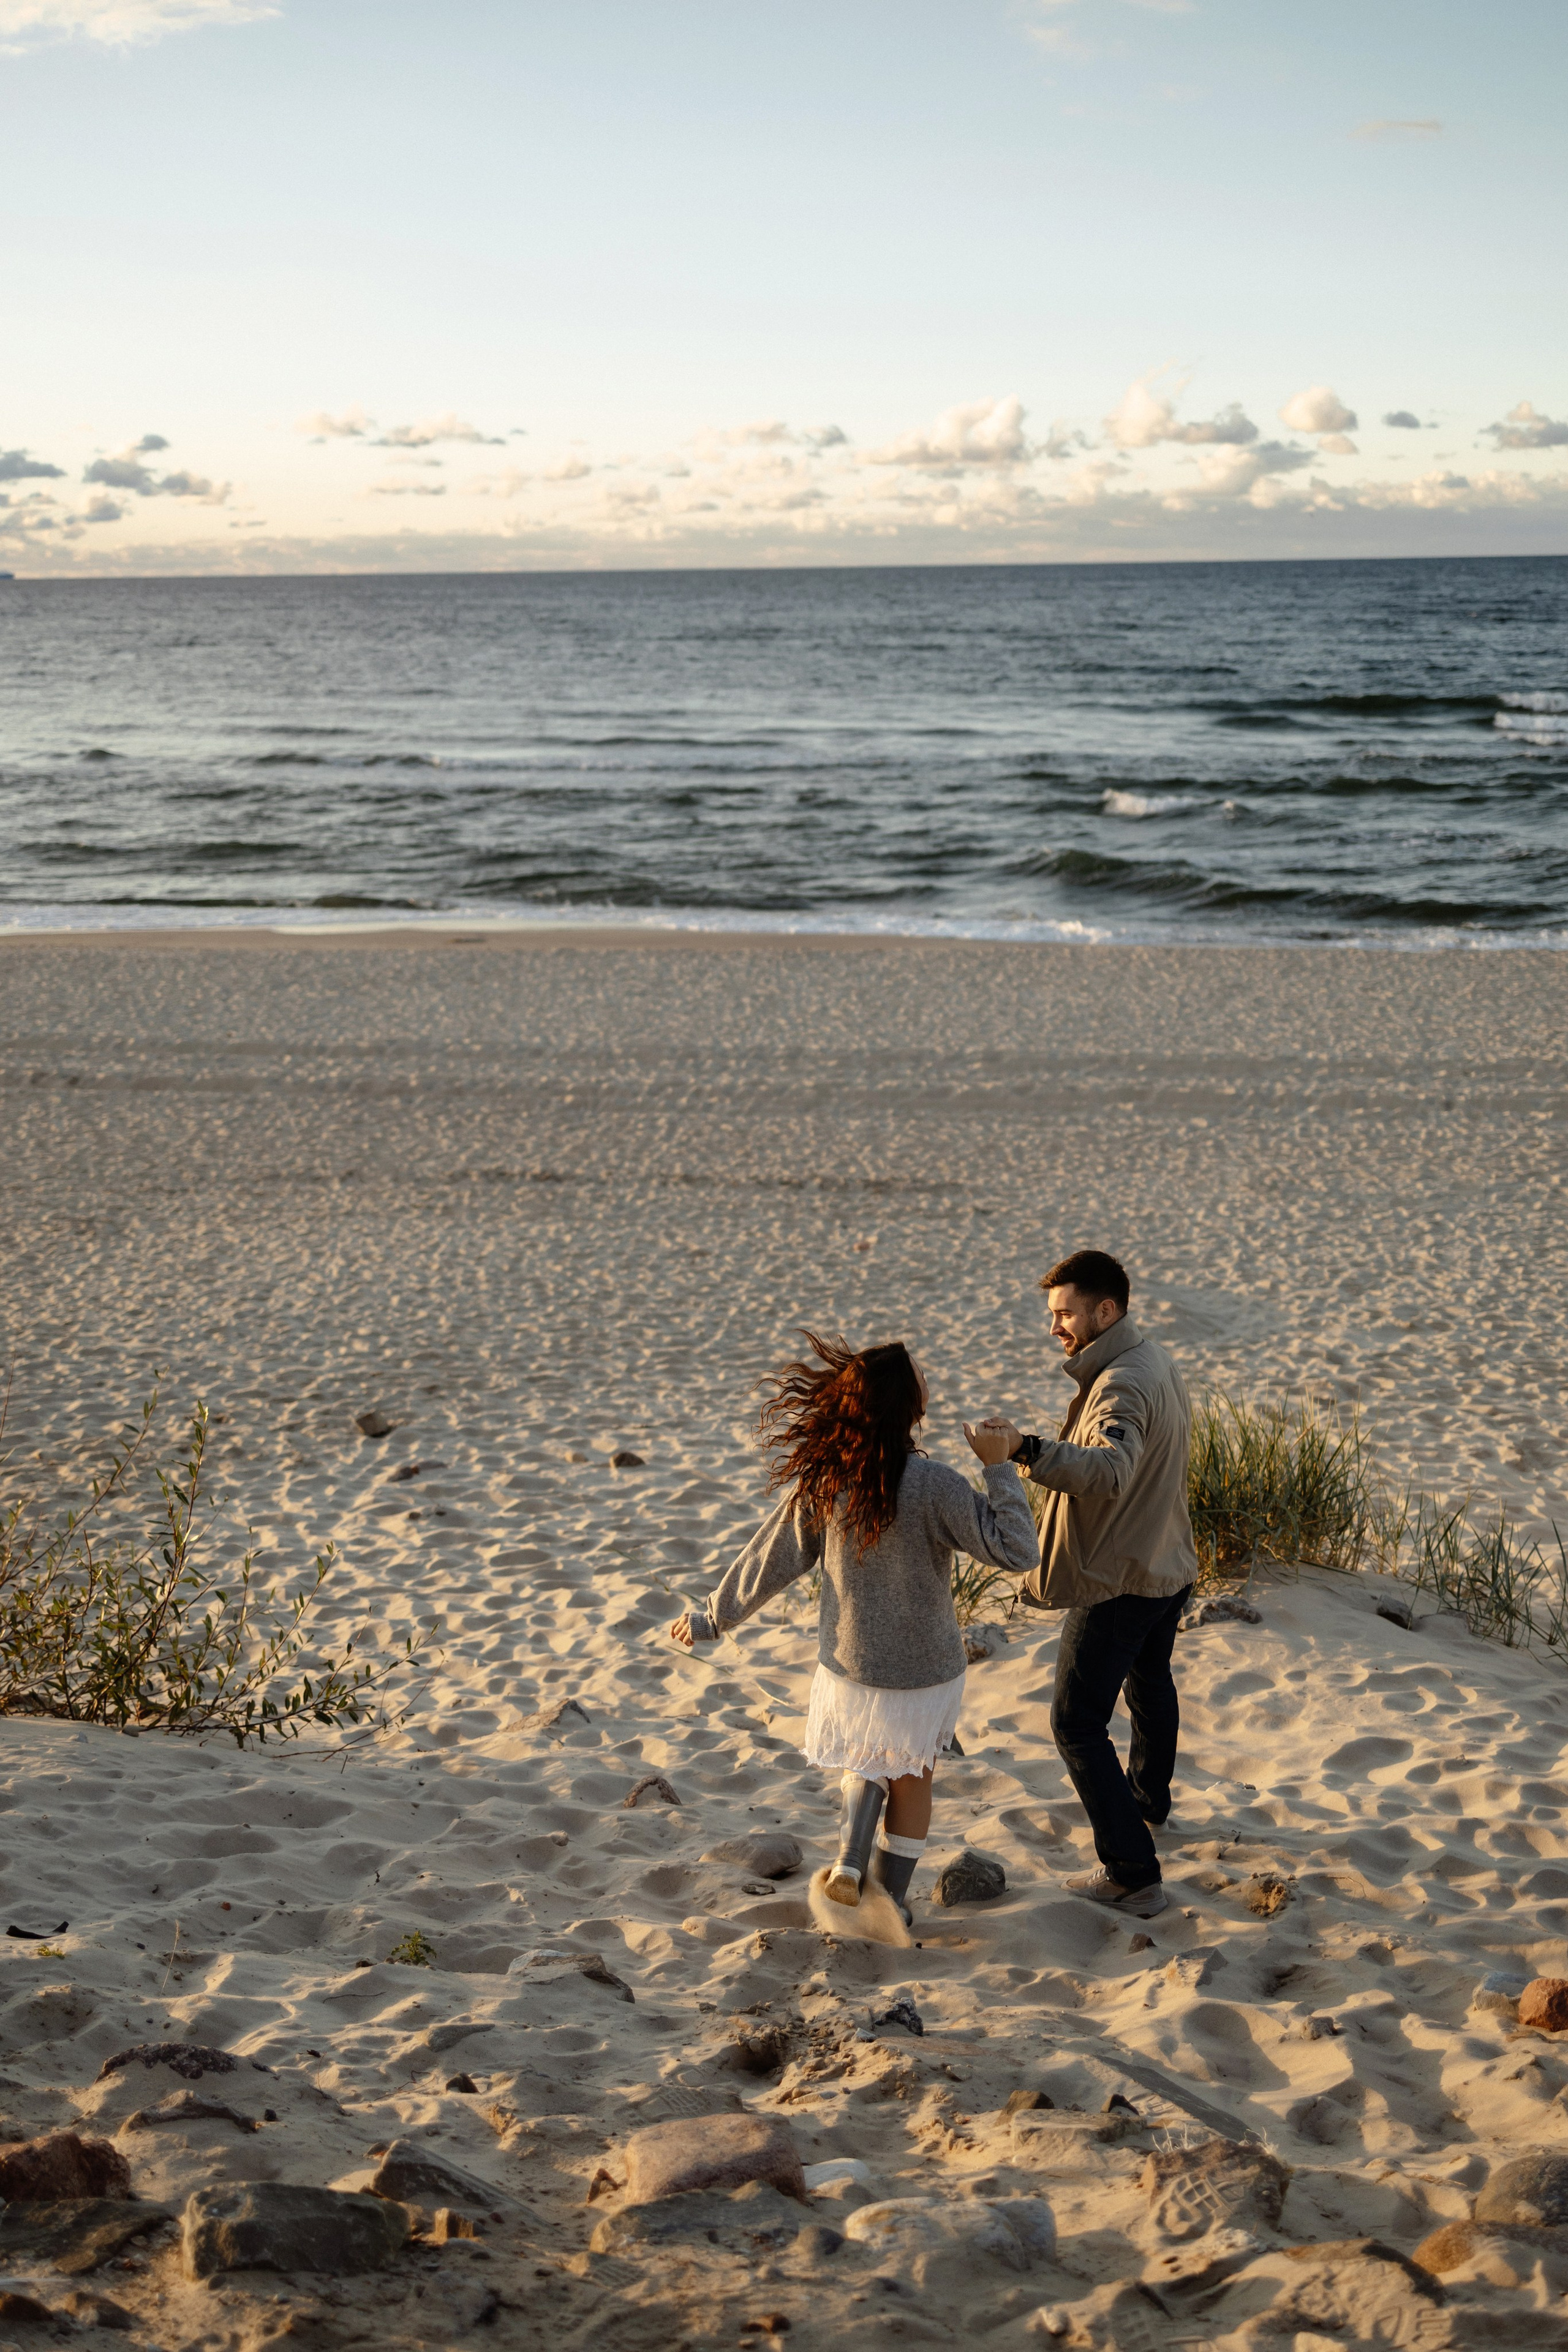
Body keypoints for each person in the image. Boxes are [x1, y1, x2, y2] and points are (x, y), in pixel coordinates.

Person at [669, 1333, 1038, 1923]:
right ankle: (888, 1901)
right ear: (909, 1406)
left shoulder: (829, 1480)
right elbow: (1018, 1551)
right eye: (919, 1370)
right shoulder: (937, 1484)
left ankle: (848, 1859)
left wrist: (715, 1614)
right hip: (925, 1669)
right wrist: (999, 1469)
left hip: (852, 1663)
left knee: (865, 1761)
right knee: (913, 1775)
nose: (926, 1373)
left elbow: (774, 1556)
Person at [985, 1249, 1197, 1921]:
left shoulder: (1122, 1384)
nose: (1055, 1327)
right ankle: (1147, 1803)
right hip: (1167, 1564)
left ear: (1106, 1311)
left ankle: (1133, 1872)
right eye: (1052, 1315)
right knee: (1148, 1680)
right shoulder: (1151, 1358)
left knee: (1075, 1721)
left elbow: (1110, 1472)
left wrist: (1024, 1451)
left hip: (1122, 1577)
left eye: (1065, 1313)